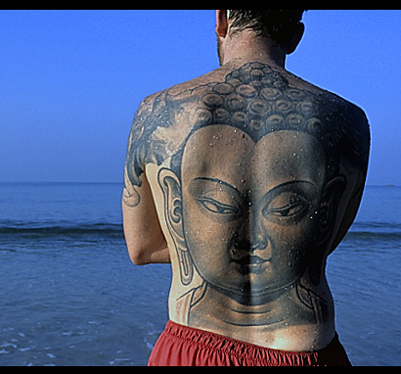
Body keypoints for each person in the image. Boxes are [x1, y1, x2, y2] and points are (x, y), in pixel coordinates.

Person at [122, 10, 370, 366]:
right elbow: (321, 242)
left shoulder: (157, 112)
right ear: (296, 35)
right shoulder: (348, 121)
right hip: (304, 349)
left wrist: (205, 238)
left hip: (192, 348)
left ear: (221, 19)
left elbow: (142, 248)